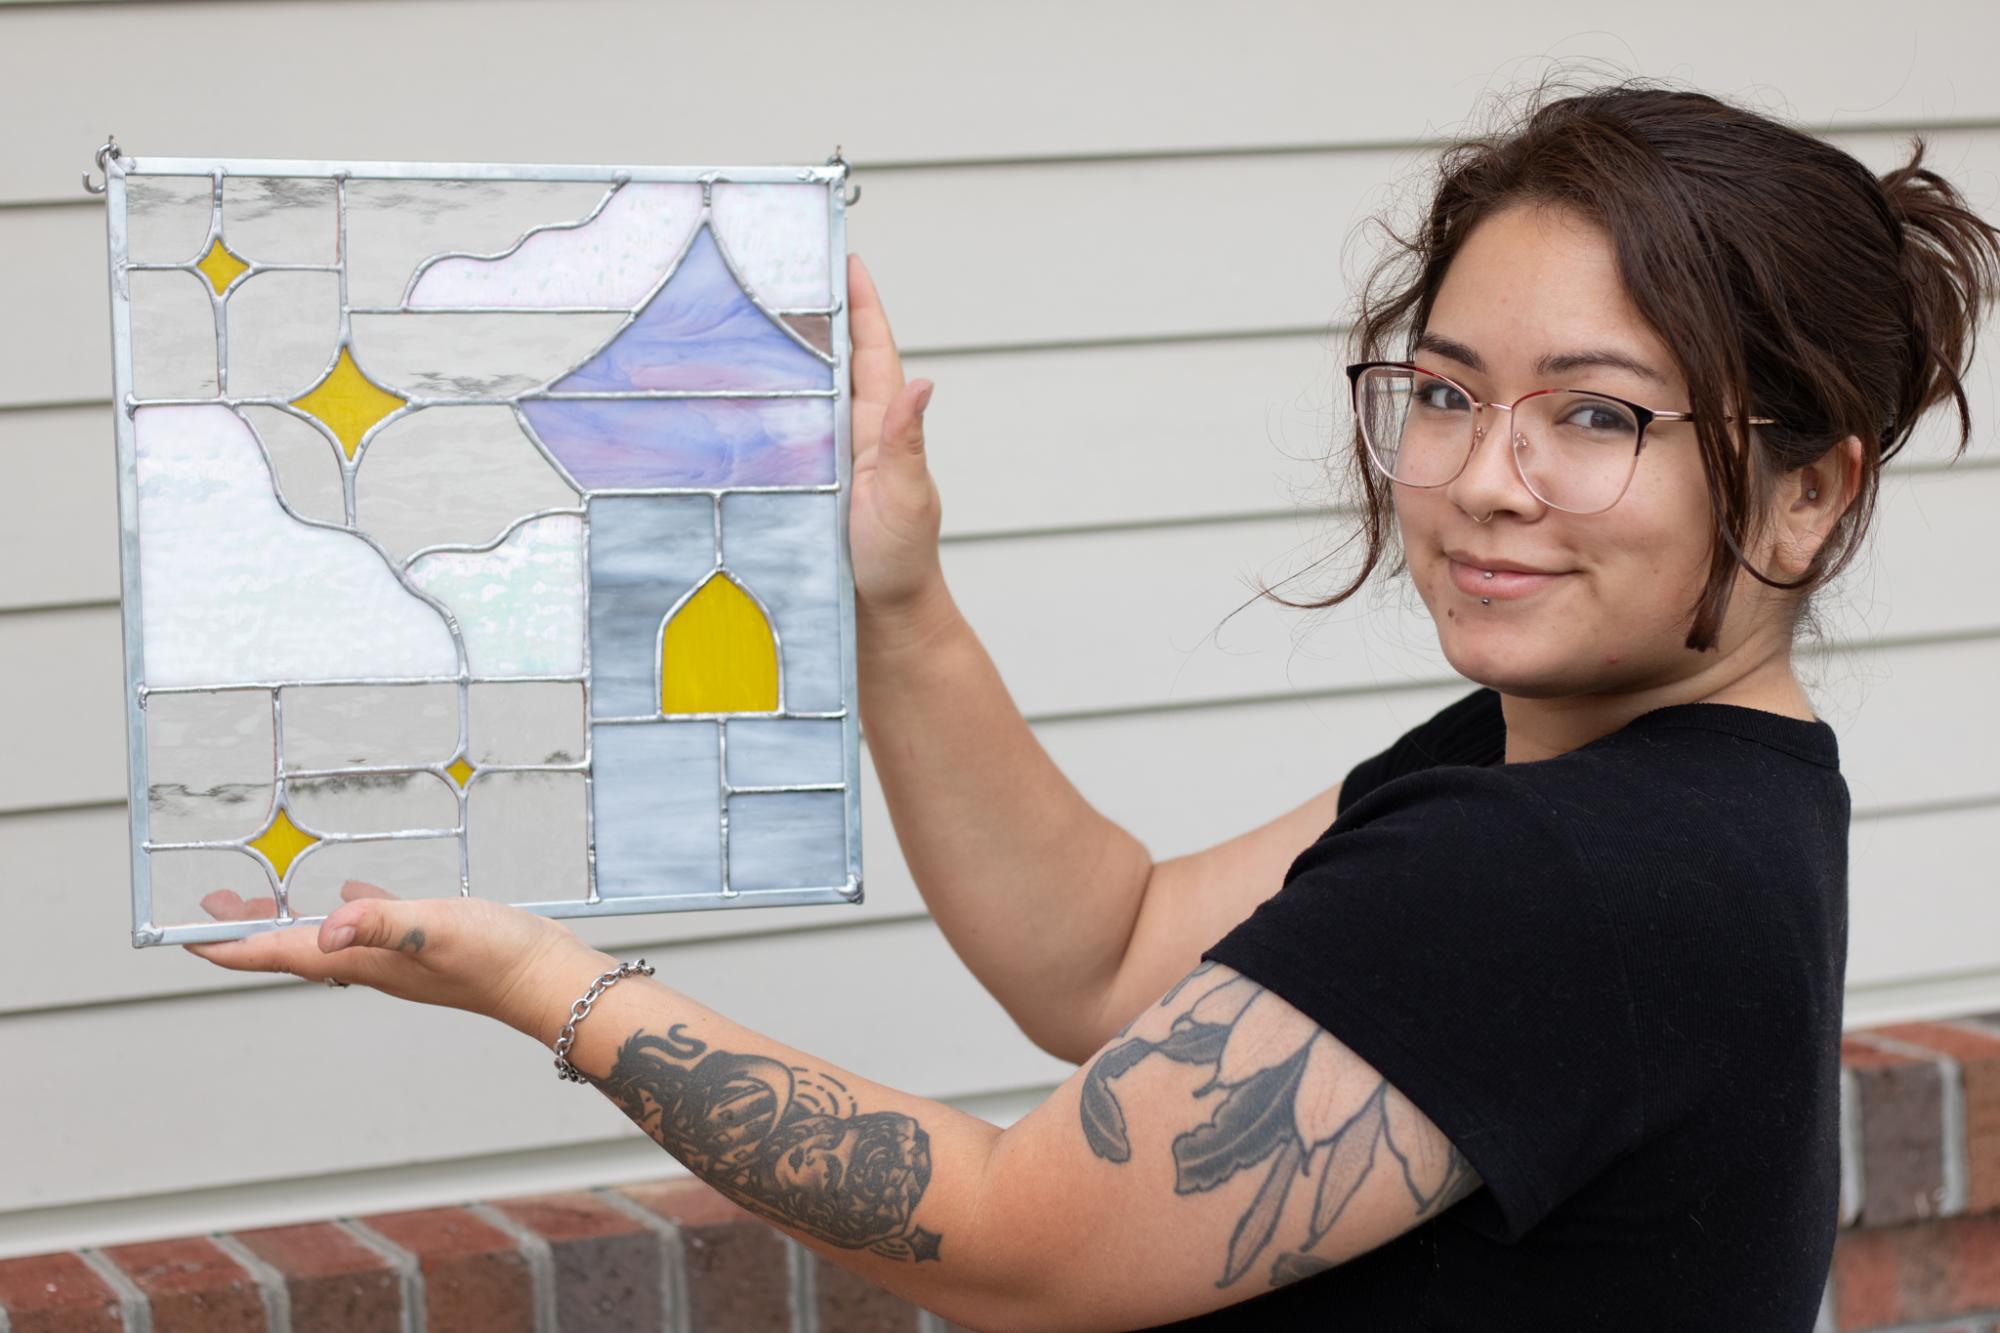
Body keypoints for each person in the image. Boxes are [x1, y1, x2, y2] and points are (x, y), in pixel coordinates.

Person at [187, 75, 2000, 1330]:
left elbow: (1012, 1240)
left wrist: (539, 985)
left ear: (1807, 488)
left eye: (1597, 414)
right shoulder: (1620, 766)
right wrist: (897, 586)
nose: (1484, 477)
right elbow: (1110, 950)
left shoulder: (1571, 869)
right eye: (1444, 392)